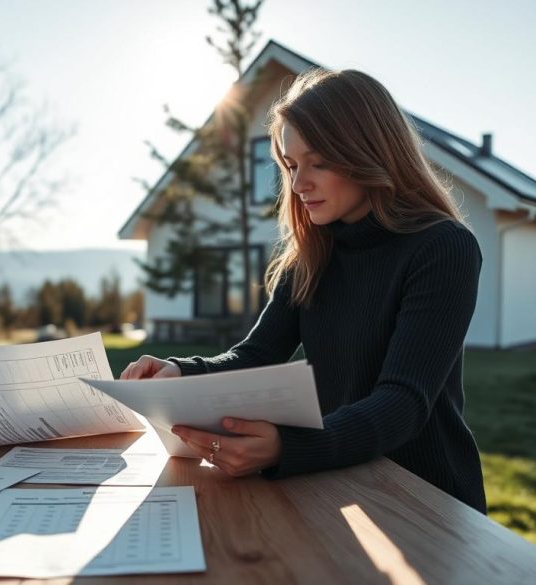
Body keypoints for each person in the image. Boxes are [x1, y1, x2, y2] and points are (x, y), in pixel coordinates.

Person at [120, 68, 487, 514]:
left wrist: (288, 446)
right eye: (291, 166)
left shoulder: (444, 248)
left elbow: (404, 402)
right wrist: (180, 372)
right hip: (339, 480)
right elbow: (254, 356)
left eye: (319, 162)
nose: (298, 185)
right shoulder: (311, 255)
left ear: (370, 153)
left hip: (426, 496)